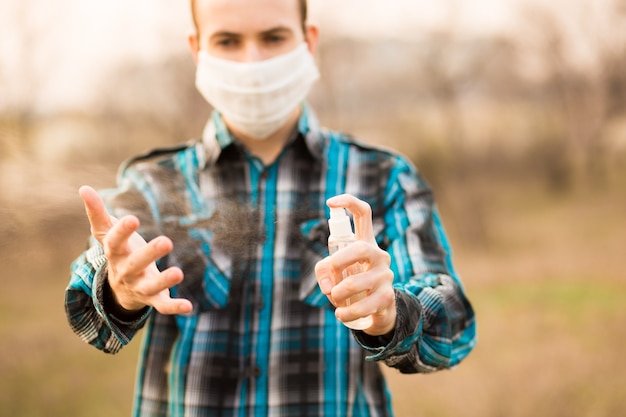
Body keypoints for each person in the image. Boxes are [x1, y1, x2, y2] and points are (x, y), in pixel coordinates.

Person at [65, 0, 477, 415]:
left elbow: (454, 325)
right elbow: (91, 318)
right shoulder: (152, 182)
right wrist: (118, 291)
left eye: (273, 37)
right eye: (227, 40)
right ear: (197, 50)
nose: (252, 61)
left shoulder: (383, 177)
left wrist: (391, 314)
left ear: (308, 41)